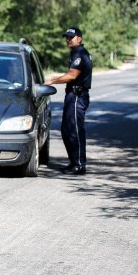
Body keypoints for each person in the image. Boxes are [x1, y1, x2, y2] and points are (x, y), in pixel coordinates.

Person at [45, 26, 92, 175]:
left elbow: (72, 76)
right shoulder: (75, 52)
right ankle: (73, 162)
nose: (68, 39)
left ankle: (79, 164)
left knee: (75, 131)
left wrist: (53, 81)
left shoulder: (80, 53)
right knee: (66, 130)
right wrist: (54, 77)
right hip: (72, 95)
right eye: (67, 37)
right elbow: (70, 74)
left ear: (79, 38)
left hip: (78, 96)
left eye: (71, 37)